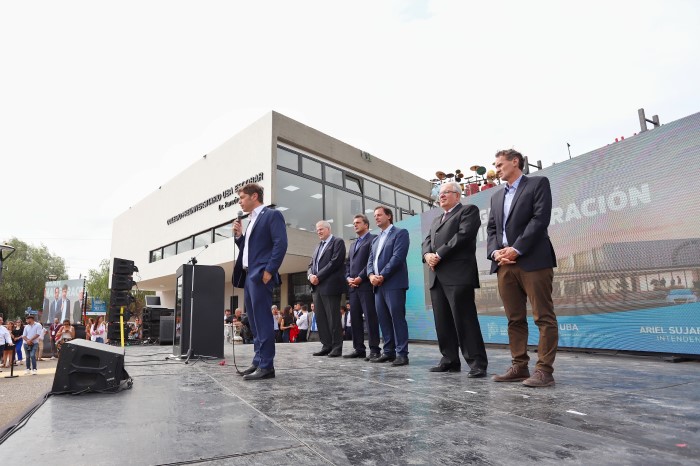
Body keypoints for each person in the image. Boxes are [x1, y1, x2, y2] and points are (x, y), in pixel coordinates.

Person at [487, 149, 558, 388]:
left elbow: (540, 219)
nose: (496, 169)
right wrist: (496, 252)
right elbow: (492, 231)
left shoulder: (538, 183)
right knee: (514, 318)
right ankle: (519, 366)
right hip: (504, 265)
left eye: (499, 164)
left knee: (543, 317)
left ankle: (544, 371)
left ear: (515, 162)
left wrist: (516, 249)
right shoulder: (496, 197)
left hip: (533, 259)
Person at [422, 181, 488, 376]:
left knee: (464, 319)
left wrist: (439, 254)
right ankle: (449, 360)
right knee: (442, 322)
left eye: (446, 193)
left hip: (458, 274)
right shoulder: (436, 220)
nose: (441, 196)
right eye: (440, 194)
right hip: (436, 276)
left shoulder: (468, 211)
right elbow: (426, 241)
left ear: (457, 196)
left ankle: (477, 363)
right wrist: (427, 255)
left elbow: (464, 235)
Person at [232, 183, 288, 380]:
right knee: (254, 322)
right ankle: (258, 361)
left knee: (263, 321)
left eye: (242, 198)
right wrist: (239, 237)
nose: (240, 201)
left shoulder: (272, 215)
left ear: (254, 196)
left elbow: (281, 244)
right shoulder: (252, 220)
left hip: (261, 275)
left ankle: (267, 366)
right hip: (249, 275)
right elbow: (249, 250)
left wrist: (269, 271)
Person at [367, 206, 410, 366]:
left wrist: (382, 275)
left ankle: (402, 354)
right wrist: (371, 275)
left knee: (397, 318)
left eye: (379, 215)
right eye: (375, 215)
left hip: (393, 283)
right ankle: (389, 352)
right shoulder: (375, 239)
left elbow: (397, 257)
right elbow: (370, 261)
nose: (376, 218)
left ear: (389, 216)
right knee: (383, 319)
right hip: (378, 286)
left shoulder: (400, 233)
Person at [307, 220, 347, 358]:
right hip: (316, 287)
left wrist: (318, 276)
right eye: (317, 229)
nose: (318, 231)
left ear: (328, 229)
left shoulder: (337, 242)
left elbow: (335, 262)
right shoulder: (318, 246)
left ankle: (337, 347)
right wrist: (311, 275)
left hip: (330, 286)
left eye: (321, 229)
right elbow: (310, 264)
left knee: (333, 317)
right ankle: (326, 345)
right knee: (321, 318)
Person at [344, 214, 380, 360]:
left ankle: (374, 349)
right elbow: (347, 264)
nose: (355, 225)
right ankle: (359, 348)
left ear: (366, 225)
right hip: (353, 287)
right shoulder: (353, 244)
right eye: (354, 223)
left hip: (365, 285)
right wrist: (348, 278)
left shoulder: (373, 239)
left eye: (358, 223)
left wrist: (360, 277)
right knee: (355, 318)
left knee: (370, 317)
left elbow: (371, 262)